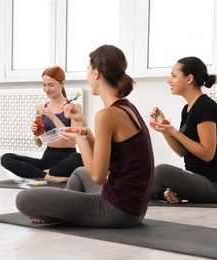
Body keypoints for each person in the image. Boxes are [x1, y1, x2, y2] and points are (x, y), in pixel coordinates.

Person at [16, 45, 154, 227]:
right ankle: (61, 211)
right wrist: (83, 125)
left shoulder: (106, 115)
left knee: (24, 199)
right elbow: (102, 157)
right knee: (79, 173)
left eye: (88, 70)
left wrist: (80, 138)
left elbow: (98, 176)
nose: (87, 75)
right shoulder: (126, 107)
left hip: (116, 210)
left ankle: (59, 211)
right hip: (135, 209)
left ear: (96, 73)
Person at [150, 56, 217, 204]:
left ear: (189, 79)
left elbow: (207, 154)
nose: (169, 81)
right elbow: (182, 151)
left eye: (174, 76)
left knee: (161, 172)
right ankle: (173, 193)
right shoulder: (186, 109)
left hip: (212, 183)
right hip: (195, 178)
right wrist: (165, 130)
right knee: (153, 174)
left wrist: (174, 132)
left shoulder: (205, 106)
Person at [1, 66, 84, 183]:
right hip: (47, 158)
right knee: (7, 158)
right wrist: (36, 133)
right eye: (44, 85)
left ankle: (38, 174)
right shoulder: (40, 108)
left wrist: (52, 117)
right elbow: (39, 143)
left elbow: (72, 141)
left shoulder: (73, 107)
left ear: (62, 83)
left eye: (51, 85)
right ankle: (48, 176)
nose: (46, 89)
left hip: (68, 158)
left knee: (79, 159)